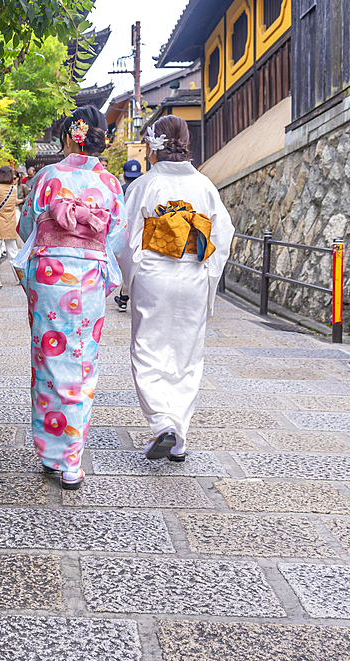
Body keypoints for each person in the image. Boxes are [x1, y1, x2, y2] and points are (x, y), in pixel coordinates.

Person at [12, 106, 127, 490]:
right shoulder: (110, 183)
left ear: (67, 135)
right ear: (99, 137)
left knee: (47, 359)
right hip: (89, 276)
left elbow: (26, 223)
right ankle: (72, 462)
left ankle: (50, 453)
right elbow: (116, 235)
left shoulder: (47, 176)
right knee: (82, 362)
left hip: (48, 274)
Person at [117, 115, 235, 462]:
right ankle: (179, 436)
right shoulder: (204, 186)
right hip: (194, 273)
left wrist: (128, 278)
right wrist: (208, 272)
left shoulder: (144, 185)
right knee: (187, 354)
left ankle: (162, 423)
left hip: (154, 273)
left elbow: (125, 239)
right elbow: (223, 234)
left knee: (147, 348)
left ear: (154, 145)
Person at [114, 159, 144, 312]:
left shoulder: (121, 189)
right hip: (144, 232)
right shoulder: (144, 188)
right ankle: (126, 296)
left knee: (127, 263)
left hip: (125, 231)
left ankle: (124, 296)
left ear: (124, 175)